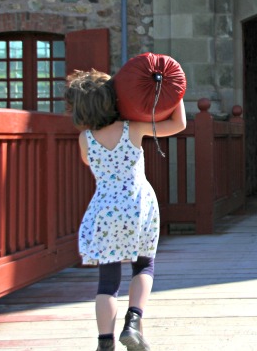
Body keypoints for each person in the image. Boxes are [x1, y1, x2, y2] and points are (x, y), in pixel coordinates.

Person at [65, 69, 186, 351]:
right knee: (144, 265)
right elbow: (177, 124)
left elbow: (89, 164)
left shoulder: (85, 140)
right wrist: (173, 92)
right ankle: (133, 321)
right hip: (137, 205)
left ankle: (104, 341)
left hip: (105, 209)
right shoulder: (133, 128)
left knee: (107, 279)